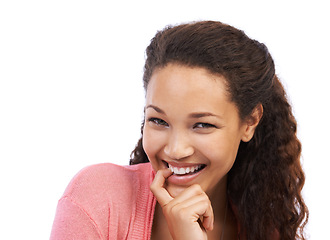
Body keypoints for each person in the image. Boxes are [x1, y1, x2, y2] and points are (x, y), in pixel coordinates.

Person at [50, 21, 308, 240]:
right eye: (159, 121)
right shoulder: (97, 198)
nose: (175, 149)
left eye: (203, 125)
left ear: (250, 122)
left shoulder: (264, 229)